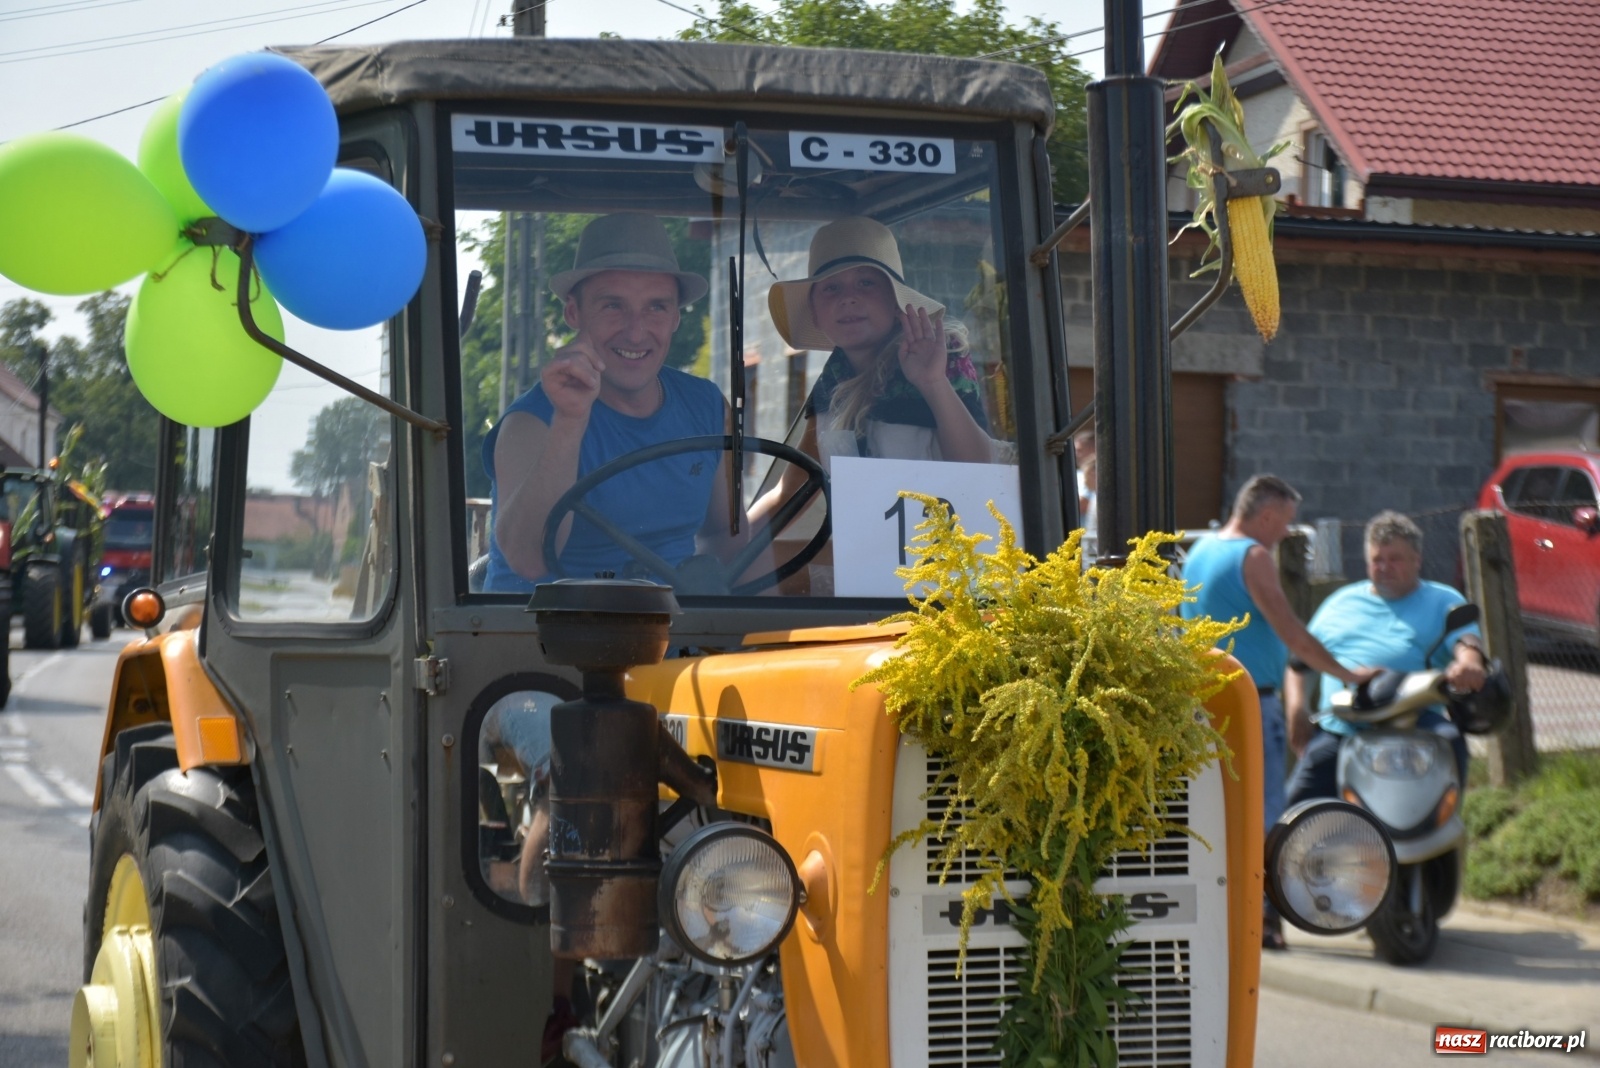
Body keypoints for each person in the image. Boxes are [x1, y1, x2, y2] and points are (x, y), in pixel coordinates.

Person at [482, 213, 743, 593]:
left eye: (656, 307)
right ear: (574, 312)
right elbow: (529, 561)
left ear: (675, 317)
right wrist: (570, 420)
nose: (636, 332)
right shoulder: (530, 422)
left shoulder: (706, 405)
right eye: (613, 306)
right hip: (547, 639)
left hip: (676, 637)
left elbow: (727, 536)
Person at [1180, 475, 1375, 950]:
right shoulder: (1254, 556)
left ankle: (1226, 911)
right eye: (1285, 521)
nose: (1287, 532)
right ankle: (1264, 917)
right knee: (1266, 814)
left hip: (1204, 697)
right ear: (1265, 515)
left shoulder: (1201, 551)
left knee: (1217, 808)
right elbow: (1291, 631)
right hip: (1253, 698)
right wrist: (1348, 675)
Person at [765, 215, 1008, 469]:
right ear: (814, 313)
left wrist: (933, 382)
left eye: (866, 283)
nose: (848, 298)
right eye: (831, 288)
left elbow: (979, 468)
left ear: (896, 302)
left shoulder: (941, 355)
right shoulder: (831, 382)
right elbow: (792, 490)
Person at [1285, 511, 1488, 808]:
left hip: (1414, 728)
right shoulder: (1338, 604)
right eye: (1377, 559)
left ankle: (1444, 833)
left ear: (1417, 560)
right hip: (1343, 730)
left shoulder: (1443, 600)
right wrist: (1296, 710)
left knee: (1449, 741)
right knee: (1290, 818)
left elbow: (1466, 640)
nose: (1384, 567)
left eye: (1395, 559)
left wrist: (1469, 662)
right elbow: (1299, 662)